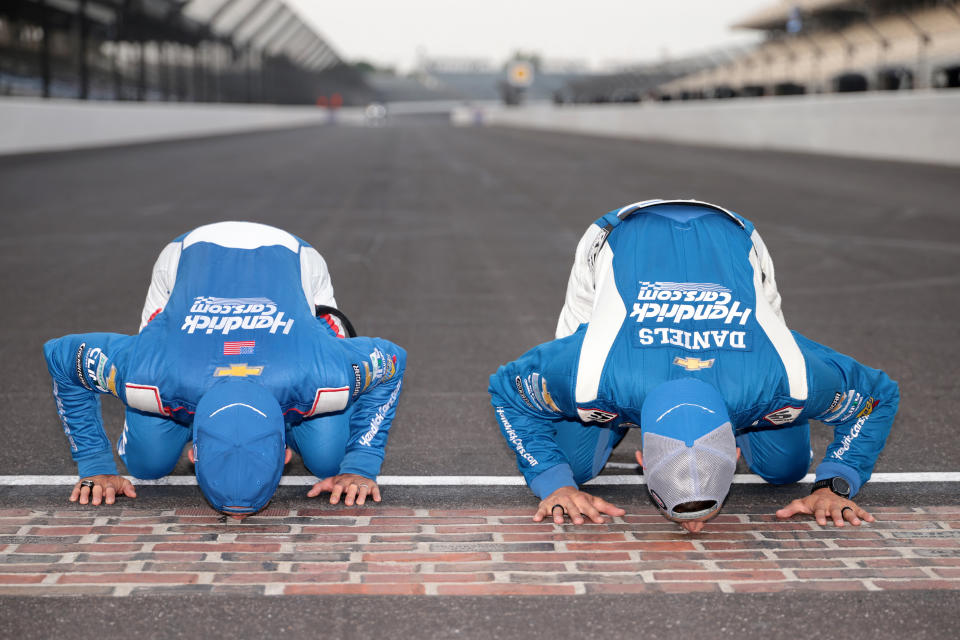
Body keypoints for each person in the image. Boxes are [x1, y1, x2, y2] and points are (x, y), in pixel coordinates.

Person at [489, 199, 899, 533]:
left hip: (732, 247)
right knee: (572, 467)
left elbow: (877, 396)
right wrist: (553, 483)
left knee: (785, 470)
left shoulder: (786, 377)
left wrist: (836, 483)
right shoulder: (589, 373)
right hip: (620, 236)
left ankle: (633, 423)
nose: (696, 530)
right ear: (642, 459)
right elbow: (509, 389)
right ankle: (607, 422)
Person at [44, 221, 406, 517]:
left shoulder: (325, 377)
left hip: (292, 264)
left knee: (330, 461)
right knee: (146, 464)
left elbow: (391, 362)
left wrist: (359, 465)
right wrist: (95, 466)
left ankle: (293, 426)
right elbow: (61, 356)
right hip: (189, 264)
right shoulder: (148, 375)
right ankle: (279, 425)